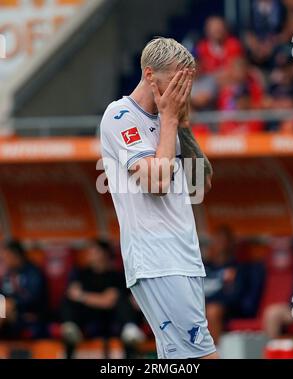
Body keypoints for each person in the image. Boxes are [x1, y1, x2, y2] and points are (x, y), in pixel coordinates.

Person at [100, 37, 217, 359]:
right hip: (157, 259)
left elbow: (199, 186)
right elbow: (156, 182)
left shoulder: (171, 122)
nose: (183, 92)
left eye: (188, 83)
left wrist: (182, 125)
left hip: (185, 256)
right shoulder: (120, 116)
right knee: (201, 355)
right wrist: (168, 120)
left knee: (178, 359)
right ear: (150, 76)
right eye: (177, 82)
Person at [61, 240, 144, 358]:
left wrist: (83, 296)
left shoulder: (116, 276)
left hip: (111, 317)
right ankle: (70, 327)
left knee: (123, 304)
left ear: (105, 253)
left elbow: (108, 302)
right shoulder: (80, 273)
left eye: (94, 251)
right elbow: (72, 295)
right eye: (89, 251)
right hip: (87, 316)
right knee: (68, 304)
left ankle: (129, 329)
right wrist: (96, 298)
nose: (90, 254)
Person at [0, 240, 47, 339]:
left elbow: (34, 297)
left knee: (4, 307)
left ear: (16, 256)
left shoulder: (33, 272)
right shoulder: (8, 274)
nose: (4, 260)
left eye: (6, 257)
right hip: (9, 313)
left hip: (30, 313)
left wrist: (13, 303)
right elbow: (2, 294)